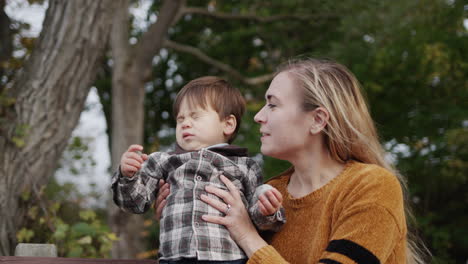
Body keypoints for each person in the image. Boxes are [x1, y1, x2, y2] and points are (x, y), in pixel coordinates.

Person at [155, 58, 426, 263]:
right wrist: (184, 218)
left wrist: (247, 236)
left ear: (317, 120)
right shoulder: (271, 197)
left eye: (273, 104)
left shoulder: (372, 186)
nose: (259, 116)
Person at [112, 76, 286, 264]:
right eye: (180, 119)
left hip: (227, 257)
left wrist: (266, 210)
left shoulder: (244, 165)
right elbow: (134, 203)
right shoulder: (163, 161)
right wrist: (128, 175)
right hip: (175, 257)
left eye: (195, 116)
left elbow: (258, 222)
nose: (185, 123)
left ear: (228, 124)